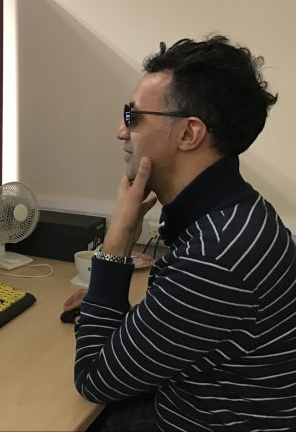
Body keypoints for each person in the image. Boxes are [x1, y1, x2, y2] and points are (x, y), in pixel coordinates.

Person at [65, 35, 296, 431]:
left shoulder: (217, 255)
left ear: (189, 134)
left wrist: (117, 239)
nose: (122, 132)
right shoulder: (241, 215)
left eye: (132, 116)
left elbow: (94, 378)